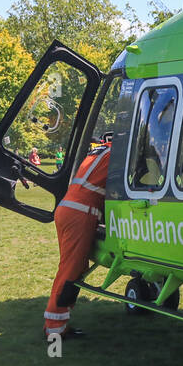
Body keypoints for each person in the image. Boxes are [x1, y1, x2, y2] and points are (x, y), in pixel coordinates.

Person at [43, 135, 111, 341]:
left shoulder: (99, 150)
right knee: (70, 270)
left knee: (77, 267)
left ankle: (60, 320)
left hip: (67, 208)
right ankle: (55, 328)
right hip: (81, 213)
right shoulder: (117, 154)